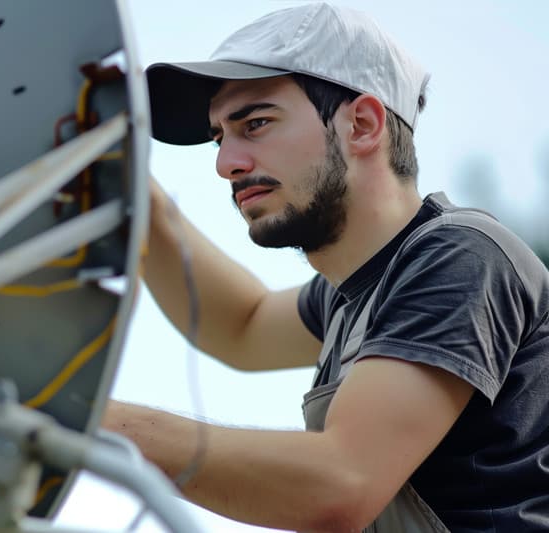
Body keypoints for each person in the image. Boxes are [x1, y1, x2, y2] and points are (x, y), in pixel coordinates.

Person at [103, 3, 549, 532]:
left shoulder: (462, 257)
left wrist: (85, 419)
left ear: (361, 124)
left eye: (256, 123)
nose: (226, 163)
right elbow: (240, 326)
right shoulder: (352, 293)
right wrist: (137, 192)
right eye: (220, 136)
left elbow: (340, 484)